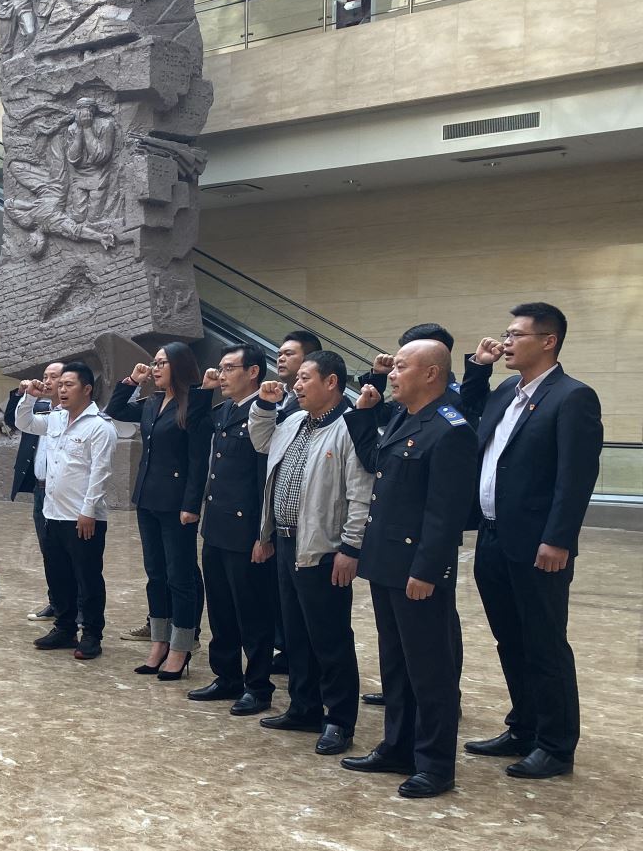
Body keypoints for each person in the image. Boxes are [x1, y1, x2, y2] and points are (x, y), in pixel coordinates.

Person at [459, 303, 603, 779]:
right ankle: (523, 726)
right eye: (506, 333)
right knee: (510, 638)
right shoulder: (506, 391)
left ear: (548, 341)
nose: (506, 342)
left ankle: (556, 746)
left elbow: (575, 477)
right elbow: (470, 419)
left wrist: (559, 538)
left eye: (516, 335)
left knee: (544, 643)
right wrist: (477, 370)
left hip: (539, 545)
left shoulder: (572, 397)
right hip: (492, 536)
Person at [341, 341, 477, 797]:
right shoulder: (403, 417)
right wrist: (364, 414)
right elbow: (376, 464)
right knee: (396, 663)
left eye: (401, 367)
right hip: (386, 562)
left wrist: (427, 570)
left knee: (430, 670)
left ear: (432, 373)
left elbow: (445, 513)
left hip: (417, 569)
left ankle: (435, 764)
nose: (392, 374)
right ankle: (397, 747)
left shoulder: (450, 430)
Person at [249, 351, 373, 756]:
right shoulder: (293, 421)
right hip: (287, 542)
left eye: (305, 378)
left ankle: (339, 720)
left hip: (324, 549)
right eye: (297, 379)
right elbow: (261, 441)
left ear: (331, 382)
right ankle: (303, 707)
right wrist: (264, 406)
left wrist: (350, 548)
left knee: (330, 638)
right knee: (296, 634)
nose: (296, 385)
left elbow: (361, 495)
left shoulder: (349, 426)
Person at [108, 342, 213, 679]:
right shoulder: (152, 402)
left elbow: (198, 462)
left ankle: (182, 646)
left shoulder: (193, 405)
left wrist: (191, 505)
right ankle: (159, 642)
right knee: (155, 574)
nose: (154, 368)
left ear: (179, 366)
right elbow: (116, 409)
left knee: (179, 576)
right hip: (148, 498)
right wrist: (131, 381)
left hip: (177, 504)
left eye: (162, 363)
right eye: (154, 362)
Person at [188, 344, 276, 715]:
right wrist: (203, 391)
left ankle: (258, 687)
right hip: (217, 526)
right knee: (221, 609)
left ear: (253, 371)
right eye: (220, 368)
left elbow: (264, 480)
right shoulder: (224, 410)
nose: (221, 375)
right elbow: (193, 430)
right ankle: (226, 677)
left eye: (228, 368)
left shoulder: (266, 413)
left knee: (252, 613)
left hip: (246, 532)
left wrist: (263, 535)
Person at [15, 362, 117, 659]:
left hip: (83, 517)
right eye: (60, 385)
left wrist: (88, 511)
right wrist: (29, 397)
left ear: (87, 389)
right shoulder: (56, 419)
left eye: (68, 385)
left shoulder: (100, 426)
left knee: (88, 578)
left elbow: (101, 472)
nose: (61, 389)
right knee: (58, 575)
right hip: (53, 513)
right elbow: (24, 422)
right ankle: (64, 628)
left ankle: (92, 635)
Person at [3, 361, 65, 622]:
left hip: (63, 491)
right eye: (45, 376)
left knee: (68, 551)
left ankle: (76, 607)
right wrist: (21, 394)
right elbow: (11, 420)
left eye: (54, 377)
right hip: (40, 489)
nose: (47, 381)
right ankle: (56, 602)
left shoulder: (74, 415)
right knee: (47, 548)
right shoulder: (37, 408)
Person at [274, 330, 321, 416]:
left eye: (288, 354)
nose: (281, 359)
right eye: (279, 355)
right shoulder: (275, 394)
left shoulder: (319, 401)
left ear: (309, 358)